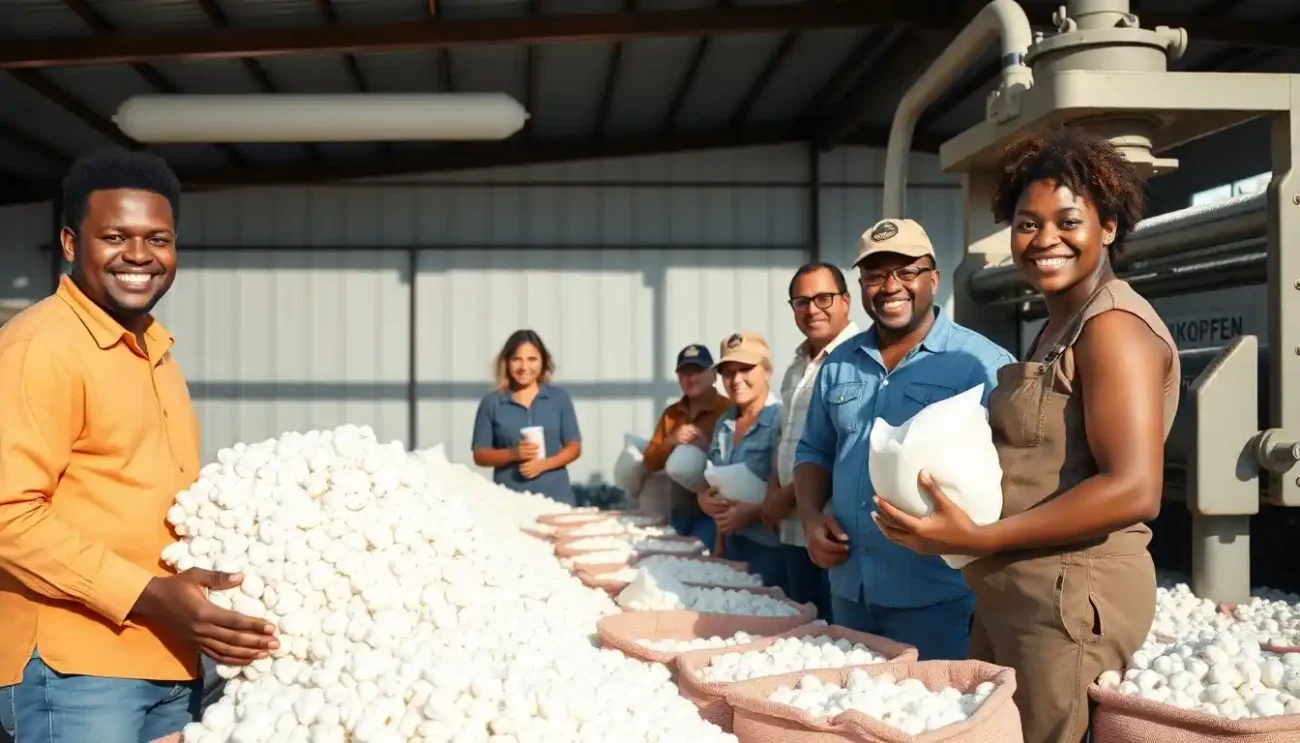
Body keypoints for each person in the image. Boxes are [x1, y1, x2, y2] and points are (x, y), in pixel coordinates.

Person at [873, 129, 1178, 743]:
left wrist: (979, 535)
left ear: (1109, 227)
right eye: (1026, 224)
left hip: (1069, 602)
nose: (1044, 240)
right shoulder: (1056, 327)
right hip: (1018, 591)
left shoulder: (1112, 327)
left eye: (1068, 221)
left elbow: (1133, 489)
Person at [0, 150, 277, 743]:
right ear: (72, 244)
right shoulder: (40, 346)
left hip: (168, 660)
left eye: (158, 238)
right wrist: (150, 594)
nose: (139, 255)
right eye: (115, 236)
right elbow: (8, 516)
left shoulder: (154, 349)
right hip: (74, 672)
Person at [793, 218, 1015, 661]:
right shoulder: (839, 364)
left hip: (940, 596)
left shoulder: (982, 364)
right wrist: (811, 517)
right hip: (850, 588)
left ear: (933, 277)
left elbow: (1021, 472)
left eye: (907, 271)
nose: (890, 286)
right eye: (875, 276)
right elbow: (814, 449)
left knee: (932, 719)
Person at [762, 263, 859, 621]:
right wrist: (773, 494)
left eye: (823, 298)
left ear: (846, 301)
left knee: (833, 635)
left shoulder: (860, 361)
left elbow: (842, 446)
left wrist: (787, 497)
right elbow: (784, 437)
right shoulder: (797, 365)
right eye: (801, 301)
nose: (812, 309)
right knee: (796, 631)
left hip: (832, 530)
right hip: (790, 530)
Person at [698, 332, 785, 587]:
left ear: (767, 372)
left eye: (746, 369)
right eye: (728, 372)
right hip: (731, 543)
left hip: (771, 549)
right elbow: (715, 479)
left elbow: (799, 491)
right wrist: (703, 499)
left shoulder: (782, 421)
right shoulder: (724, 423)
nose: (736, 379)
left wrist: (755, 512)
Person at [472, 329, 583, 505]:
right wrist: (512, 454)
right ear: (506, 362)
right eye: (517, 359)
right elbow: (480, 455)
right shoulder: (492, 402)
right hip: (509, 503)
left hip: (556, 501)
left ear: (543, 362)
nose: (524, 367)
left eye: (532, 359)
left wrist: (544, 464)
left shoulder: (559, 398)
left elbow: (574, 447)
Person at [640, 344, 733, 545]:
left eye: (697, 371)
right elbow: (649, 461)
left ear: (713, 375)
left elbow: (742, 462)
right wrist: (671, 440)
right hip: (680, 511)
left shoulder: (729, 410)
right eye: (684, 372)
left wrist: (707, 448)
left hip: (716, 512)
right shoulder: (671, 415)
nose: (690, 378)